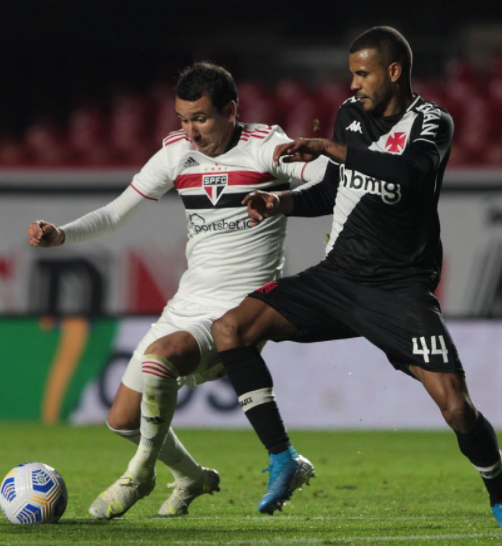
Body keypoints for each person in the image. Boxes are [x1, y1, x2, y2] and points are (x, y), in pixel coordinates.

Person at [210, 26, 502, 527]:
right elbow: (336, 192)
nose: (353, 84)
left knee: (456, 408)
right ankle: (282, 458)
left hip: (399, 289)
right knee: (230, 328)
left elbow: (407, 175)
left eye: (362, 73)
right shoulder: (349, 117)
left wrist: (327, 148)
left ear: (394, 71)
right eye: (351, 74)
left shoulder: (432, 122)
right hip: (337, 278)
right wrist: (280, 202)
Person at [27, 62, 324, 519]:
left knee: (161, 357)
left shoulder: (265, 147)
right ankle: (192, 477)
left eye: (201, 118)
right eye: (183, 119)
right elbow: (114, 213)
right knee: (122, 420)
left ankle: (140, 474)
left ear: (230, 111)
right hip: (186, 304)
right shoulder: (174, 153)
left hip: (238, 313)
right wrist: (61, 235)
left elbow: (330, 179)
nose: (191, 131)